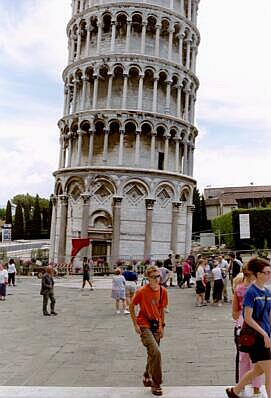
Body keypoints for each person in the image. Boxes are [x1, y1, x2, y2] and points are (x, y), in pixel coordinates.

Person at [226, 257, 271, 398]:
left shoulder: (267, 292)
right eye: (266, 272)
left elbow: (269, 317)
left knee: (258, 370)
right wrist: (264, 334)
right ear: (257, 274)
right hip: (256, 337)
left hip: (265, 335)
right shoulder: (251, 292)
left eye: (270, 272)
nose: (269, 275)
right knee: (269, 372)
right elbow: (247, 317)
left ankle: (235, 391)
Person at [129, 265, 168, 396]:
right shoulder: (141, 291)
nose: (157, 279)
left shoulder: (163, 291)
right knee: (156, 352)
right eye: (154, 277)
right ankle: (156, 383)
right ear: (148, 278)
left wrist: (162, 325)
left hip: (156, 325)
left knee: (152, 353)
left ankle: (147, 374)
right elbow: (131, 306)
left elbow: (162, 309)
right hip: (144, 324)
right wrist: (135, 324)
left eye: (158, 276)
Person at [232, 265, 262, 396]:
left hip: (241, 326)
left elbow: (234, 313)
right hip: (256, 326)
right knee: (256, 360)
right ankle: (256, 390)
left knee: (243, 359)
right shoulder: (258, 289)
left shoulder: (238, 289)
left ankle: (241, 388)